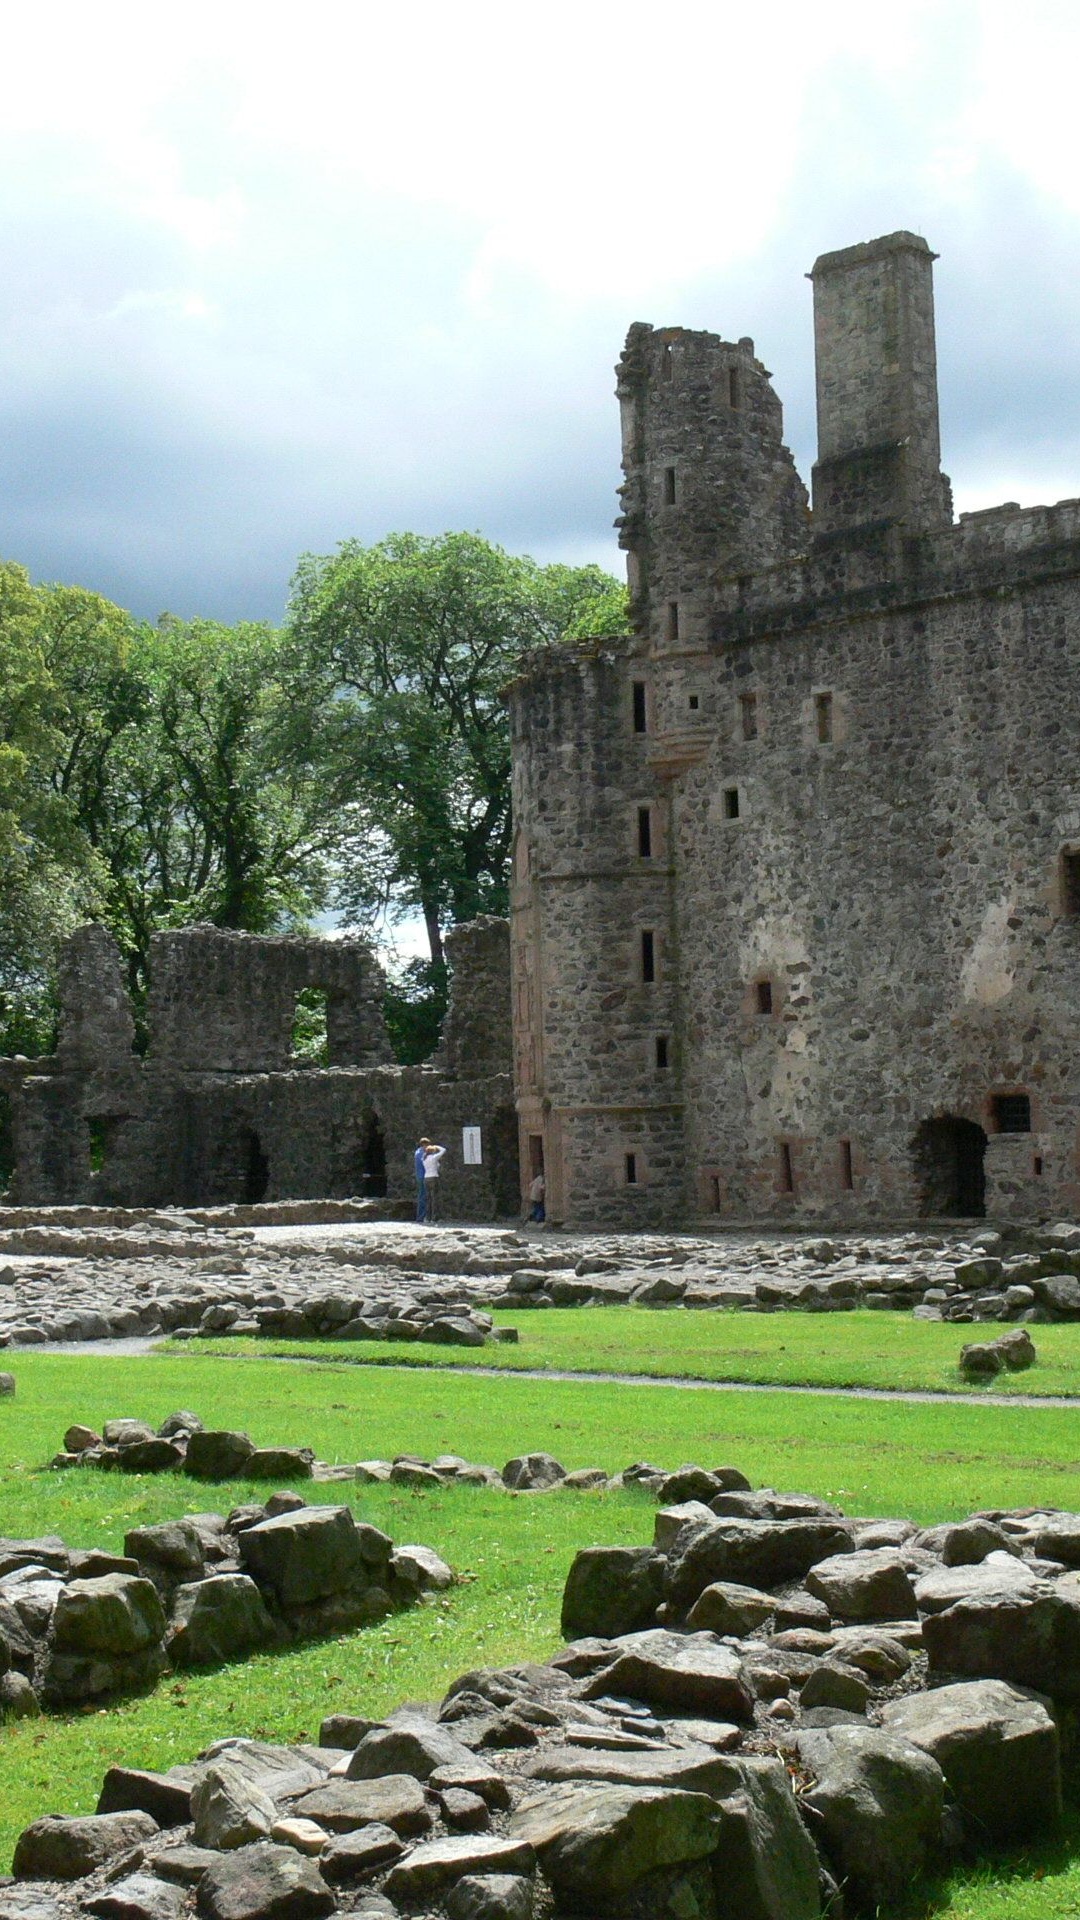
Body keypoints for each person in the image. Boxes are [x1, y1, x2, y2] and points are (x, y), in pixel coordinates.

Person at [421, 1140, 447, 1222]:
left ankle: (427, 1217)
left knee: (428, 1199)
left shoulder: (423, 1159)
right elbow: (444, 1150)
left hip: (426, 1178)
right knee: (434, 1198)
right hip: (433, 1177)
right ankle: (434, 1217)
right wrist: (436, 1146)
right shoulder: (434, 1157)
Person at [413, 1137, 431, 1223]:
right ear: (424, 1144)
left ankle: (421, 1216)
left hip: (420, 1176)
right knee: (423, 1197)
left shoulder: (417, 1152)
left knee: (422, 1196)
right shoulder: (422, 1154)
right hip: (423, 1176)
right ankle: (422, 1217)